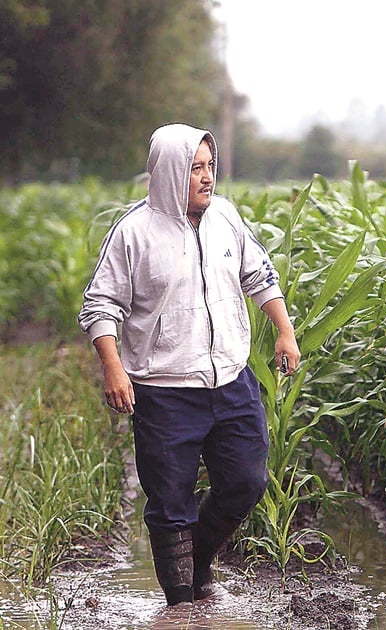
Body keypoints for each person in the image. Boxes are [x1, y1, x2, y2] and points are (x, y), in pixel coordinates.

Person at [78, 123, 300, 606]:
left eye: (210, 167)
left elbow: (258, 273)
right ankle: (180, 604)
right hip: (163, 389)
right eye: (195, 168)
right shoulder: (133, 233)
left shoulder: (225, 217)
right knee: (170, 501)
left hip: (230, 380)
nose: (206, 178)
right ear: (168, 172)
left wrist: (284, 329)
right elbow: (100, 305)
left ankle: (195, 563)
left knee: (246, 481)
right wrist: (112, 366)